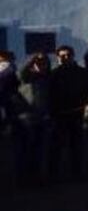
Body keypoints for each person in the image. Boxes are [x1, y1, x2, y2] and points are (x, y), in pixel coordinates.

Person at [49, 46, 88, 181]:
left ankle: (77, 172)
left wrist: (86, 105)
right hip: (59, 114)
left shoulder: (81, 73)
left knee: (76, 145)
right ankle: (54, 174)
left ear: (72, 56)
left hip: (76, 113)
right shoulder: (54, 74)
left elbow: (87, 90)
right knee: (56, 145)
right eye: (62, 56)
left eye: (68, 55)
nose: (65, 58)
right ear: (58, 58)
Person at [17, 52, 53, 185]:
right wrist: (33, 58)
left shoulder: (47, 78)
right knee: (26, 149)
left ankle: (37, 177)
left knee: (40, 150)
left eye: (44, 63)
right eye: (38, 63)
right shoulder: (26, 77)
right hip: (27, 119)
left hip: (42, 118)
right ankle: (24, 178)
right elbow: (22, 71)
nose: (41, 65)